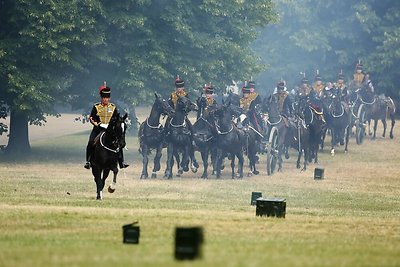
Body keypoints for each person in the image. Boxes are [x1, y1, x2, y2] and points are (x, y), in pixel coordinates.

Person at [84, 83, 129, 169]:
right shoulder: (96, 107)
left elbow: (116, 118)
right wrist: (100, 124)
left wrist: (113, 124)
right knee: (90, 142)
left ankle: (121, 162)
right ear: (101, 98)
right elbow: (91, 118)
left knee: (118, 143)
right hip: (98, 129)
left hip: (110, 130)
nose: (105, 99)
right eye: (104, 98)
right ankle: (88, 161)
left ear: (109, 98)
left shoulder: (113, 107)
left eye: (107, 98)